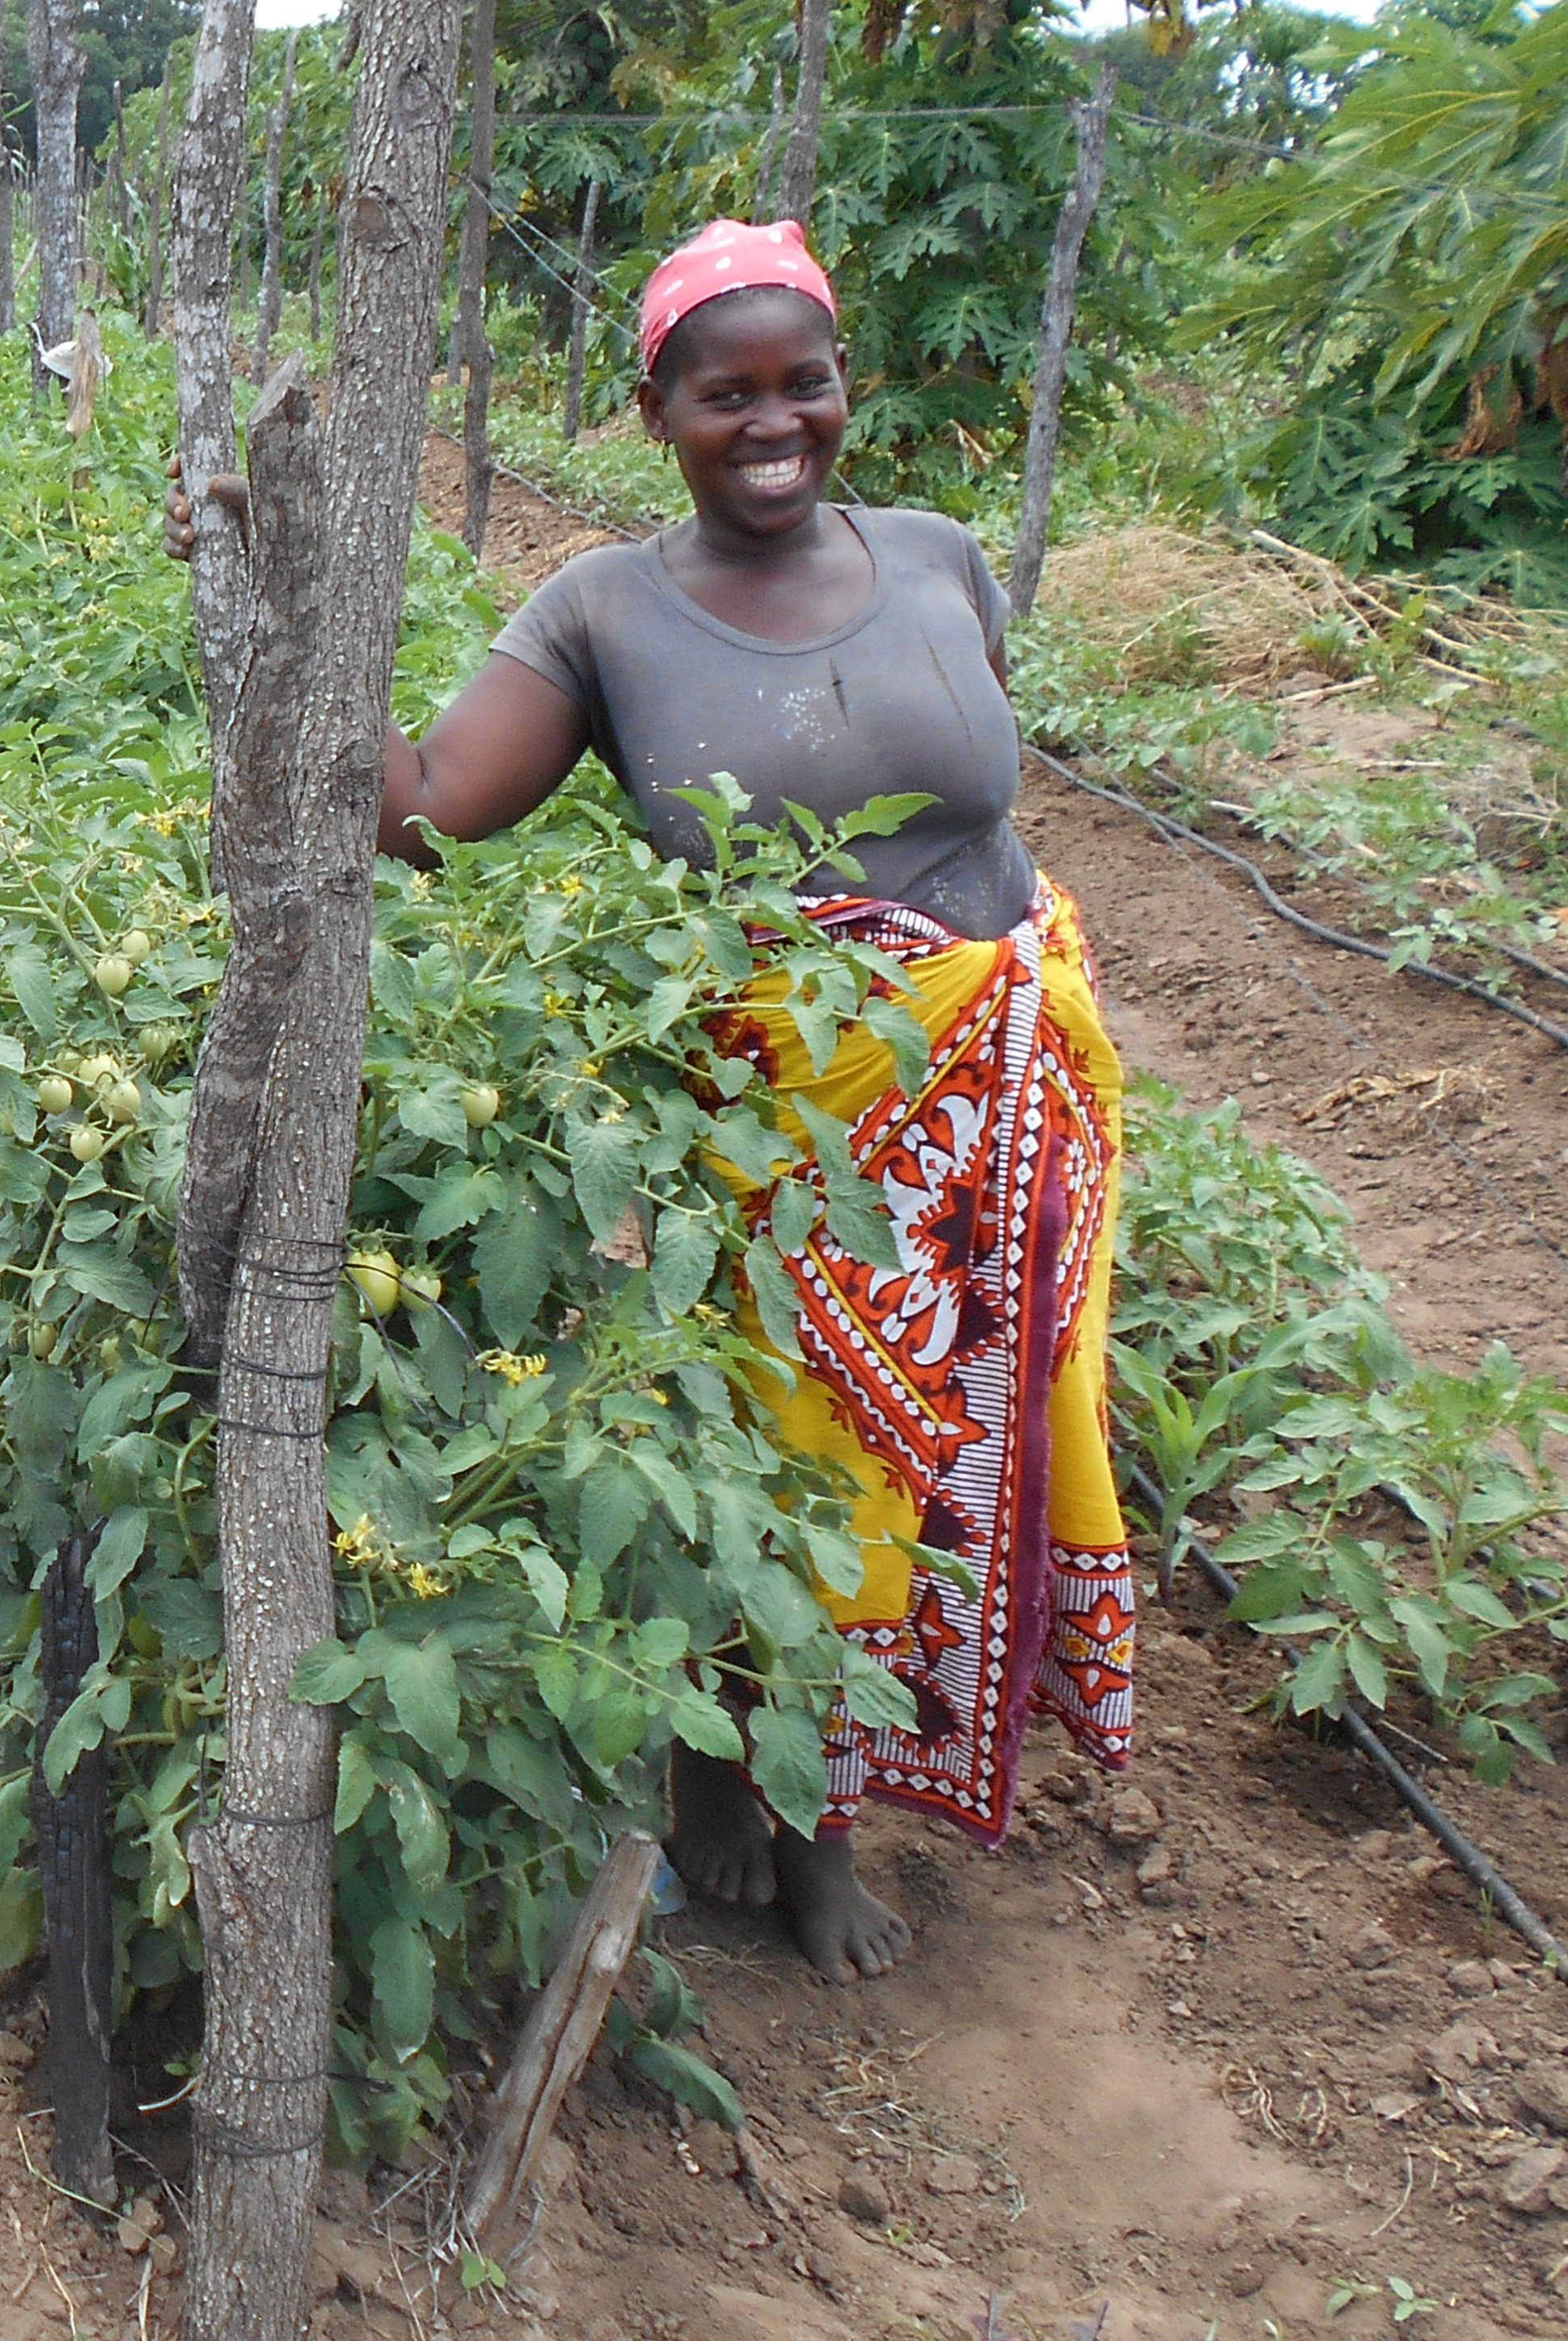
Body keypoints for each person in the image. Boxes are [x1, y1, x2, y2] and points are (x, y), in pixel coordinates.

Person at [183, 219, 1139, 1983]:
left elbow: (969, 801)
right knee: (793, 1456)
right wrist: (283, 603)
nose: (774, 422)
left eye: (807, 383)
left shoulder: (934, 556)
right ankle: (792, 1813)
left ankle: (852, 1770)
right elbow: (426, 802)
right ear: (657, 411)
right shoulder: (602, 610)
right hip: (791, 1126)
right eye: (728, 393)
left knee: (963, 1443)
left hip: (997, 1090)